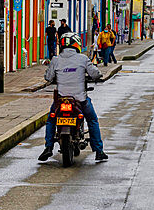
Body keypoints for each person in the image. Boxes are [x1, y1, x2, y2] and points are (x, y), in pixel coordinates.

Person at [39, 32, 107, 162]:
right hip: (80, 100)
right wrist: (95, 77)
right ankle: (99, 151)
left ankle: (48, 147)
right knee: (92, 120)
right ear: (77, 44)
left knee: (51, 120)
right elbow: (95, 74)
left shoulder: (56, 60)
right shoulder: (83, 59)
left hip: (61, 100)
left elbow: (48, 77)